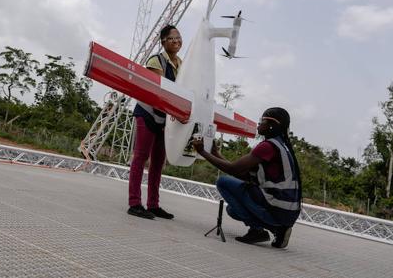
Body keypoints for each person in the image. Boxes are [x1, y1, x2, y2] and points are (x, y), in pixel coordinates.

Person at [192, 107, 302, 248]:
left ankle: (257, 230)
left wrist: (202, 152)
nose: (258, 124)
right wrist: (215, 153)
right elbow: (242, 174)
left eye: (262, 121)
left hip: (277, 209)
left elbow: (233, 169)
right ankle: (277, 229)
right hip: (287, 213)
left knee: (223, 182)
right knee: (232, 210)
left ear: (271, 125)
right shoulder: (282, 146)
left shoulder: (268, 146)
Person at [127, 25, 182, 220]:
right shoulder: (156, 60)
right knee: (141, 157)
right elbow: (160, 90)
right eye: (172, 38)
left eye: (179, 37)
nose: (177, 41)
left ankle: (153, 205)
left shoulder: (181, 64)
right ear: (164, 42)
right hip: (148, 113)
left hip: (165, 118)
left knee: (158, 163)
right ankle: (134, 203)